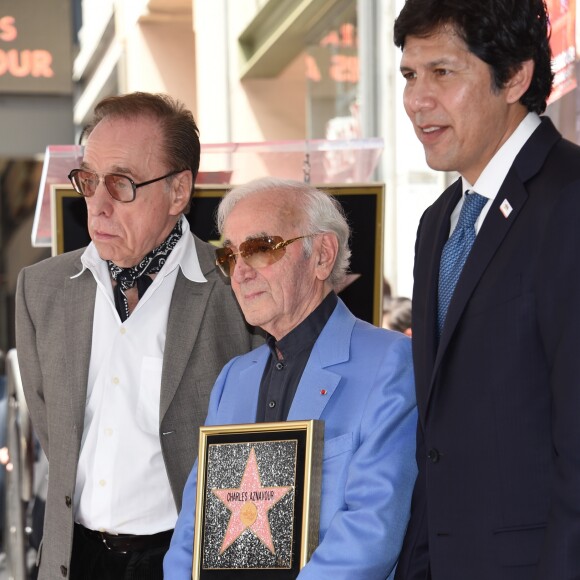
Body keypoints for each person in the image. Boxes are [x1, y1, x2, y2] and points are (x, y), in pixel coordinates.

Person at [15, 92, 262, 580]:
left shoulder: (237, 291)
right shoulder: (41, 290)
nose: (98, 205)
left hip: (183, 559)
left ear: (178, 192)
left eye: (122, 184)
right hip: (72, 559)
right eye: (88, 180)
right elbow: (53, 431)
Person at [393, 1, 580, 579]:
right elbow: (438, 440)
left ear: (516, 76)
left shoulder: (569, 201)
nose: (416, 99)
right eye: (409, 75)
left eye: (442, 72)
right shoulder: (437, 223)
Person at [163, 177, 417, 579]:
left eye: (260, 248)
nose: (240, 272)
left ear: (322, 256)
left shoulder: (389, 362)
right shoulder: (233, 379)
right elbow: (194, 526)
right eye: (230, 256)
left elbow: (372, 531)